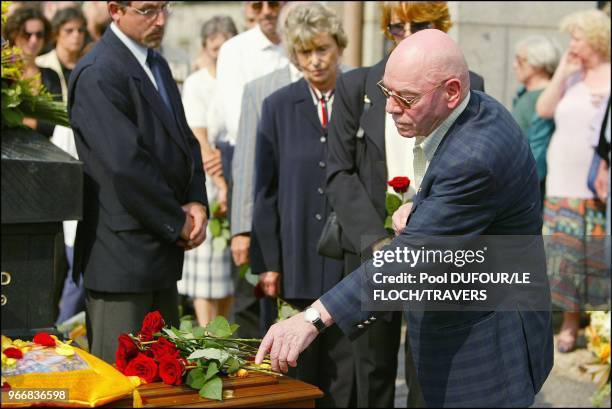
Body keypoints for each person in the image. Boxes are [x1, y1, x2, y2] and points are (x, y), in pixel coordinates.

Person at [255, 29, 554, 408]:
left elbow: (413, 258)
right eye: (386, 92)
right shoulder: (474, 111)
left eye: (406, 98)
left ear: (451, 91)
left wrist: (312, 319)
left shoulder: (475, 157)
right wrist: (425, 206)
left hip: (486, 349)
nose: (391, 108)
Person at [325, 2, 484, 407]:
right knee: (372, 367)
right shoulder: (357, 86)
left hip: (435, 244)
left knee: (427, 367)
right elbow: (340, 173)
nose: (407, 33)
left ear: (441, 26)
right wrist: (375, 240)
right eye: (397, 27)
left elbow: (472, 166)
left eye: (421, 24)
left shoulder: (469, 84)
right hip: (371, 244)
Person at [68, 0, 209, 363]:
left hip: (159, 253)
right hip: (122, 260)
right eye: (148, 10)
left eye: (165, 7)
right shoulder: (99, 71)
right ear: (115, 10)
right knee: (124, 383)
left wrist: (197, 200)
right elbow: (124, 166)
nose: (160, 20)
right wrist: (177, 221)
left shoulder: (155, 62)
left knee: (165, 383)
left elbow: (184, 140)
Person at [250, 4, 354, 407]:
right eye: (305, 51)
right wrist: (269, 262)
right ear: (294, 54)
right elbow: (266, 189)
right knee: (296, 373)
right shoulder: (278, 106)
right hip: (296, 258)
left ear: (338, 46)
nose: (315, 60)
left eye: (323, 49)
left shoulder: (358, 97)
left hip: (346, 262)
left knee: (343, 374)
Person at [536, 8, 610, 353]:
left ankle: (598, 329)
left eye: (577, 37)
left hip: (597, 185)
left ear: (596, 39)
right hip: (562, 181)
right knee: (563, 257)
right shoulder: (571, 76)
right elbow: (544, 109)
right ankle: (568, 321)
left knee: (595, 257)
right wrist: (563, 72)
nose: (572, 44)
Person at [215, 0, 289, 339]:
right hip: (249, 161)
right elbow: (238, 123)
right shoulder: (236, 50)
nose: (268, 10)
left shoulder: (299, 42)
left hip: (291, 165)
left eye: (275, 2)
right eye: (259, 3)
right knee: (249, 281)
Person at [178, 15, 238, 327]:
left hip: (234, 173)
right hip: (209, 180)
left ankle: (223, 330)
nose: (219, 53)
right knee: (208, 261)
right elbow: (199, 137)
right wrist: (221, 183)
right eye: (214, 48)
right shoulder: (197, 82)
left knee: (228, 264)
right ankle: (205, 332)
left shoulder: (236, 81)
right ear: (205, 48)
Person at [511, 35, 560, 206]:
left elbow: (539, 146)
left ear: (537, 62)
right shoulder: (524, 94)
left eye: (520, 60)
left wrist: (523, 183)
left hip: (531, 188)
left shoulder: (547, 98)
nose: (514, 65)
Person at [4, 6, 61, 137]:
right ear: (14, 34)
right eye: (27, 34)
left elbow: (51, 125)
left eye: (39, 34)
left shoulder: (51, 76)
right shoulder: (4, 71)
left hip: (39, 152)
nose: (34, 40)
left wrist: (15, 120)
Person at [36, 7, 86, 103]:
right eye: (69, 30)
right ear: (56, 33)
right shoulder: (40, 64)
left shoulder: (88, 66)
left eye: (80, 30)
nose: (76, 35)